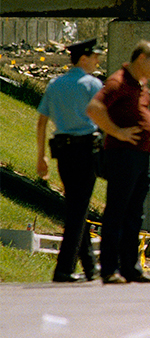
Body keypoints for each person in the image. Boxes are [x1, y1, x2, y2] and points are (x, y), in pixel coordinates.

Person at [86, 40, 150, 284]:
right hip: (123, 156)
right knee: (117, 211)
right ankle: (109, 269)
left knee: (134, 213)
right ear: (141, 58)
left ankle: (130, 267)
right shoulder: (118, 82)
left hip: (141, 157)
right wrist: (117, 132)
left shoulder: (140, 85)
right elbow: (94, 107)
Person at [36, 38, 104, 282]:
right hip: (86, 150)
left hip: (62, 152)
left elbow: (42, 122)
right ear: (83, 58)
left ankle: (90, 267)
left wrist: (40, 156)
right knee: (78, 208)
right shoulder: (92, 84)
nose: (98, 60)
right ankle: (63, 268)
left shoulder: (55, 84)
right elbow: (104, 117)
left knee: (77, 205)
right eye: (95, 56)